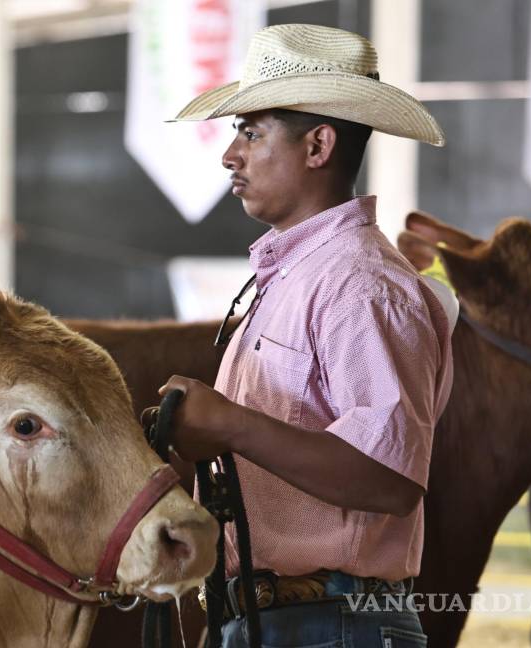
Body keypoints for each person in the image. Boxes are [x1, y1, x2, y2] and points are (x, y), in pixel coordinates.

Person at [161, 24, 455, 647]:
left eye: (252, 131)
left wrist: (229, 425)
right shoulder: (301, 276)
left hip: (331, 624)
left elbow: (389, 479)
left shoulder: (362, 283)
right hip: (283, 620)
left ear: (318, 144)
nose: (230, 155)